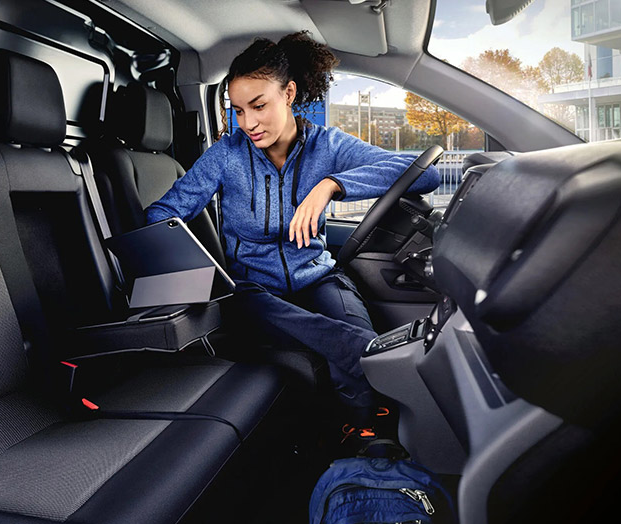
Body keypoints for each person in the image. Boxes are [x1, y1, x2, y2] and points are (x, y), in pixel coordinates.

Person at [145, 31, 440, 409]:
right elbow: (163, 213)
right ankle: (372, 355)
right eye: (238, 110)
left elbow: (424, 174)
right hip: (252, 290)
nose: (248, 123)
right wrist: (195, 269)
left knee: (349, 328)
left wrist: (332, 185)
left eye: (258, 105)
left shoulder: (327, 146)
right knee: (294, 321)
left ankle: (368, 433)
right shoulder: (226, 155)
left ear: (288, 94)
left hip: (318, 278)